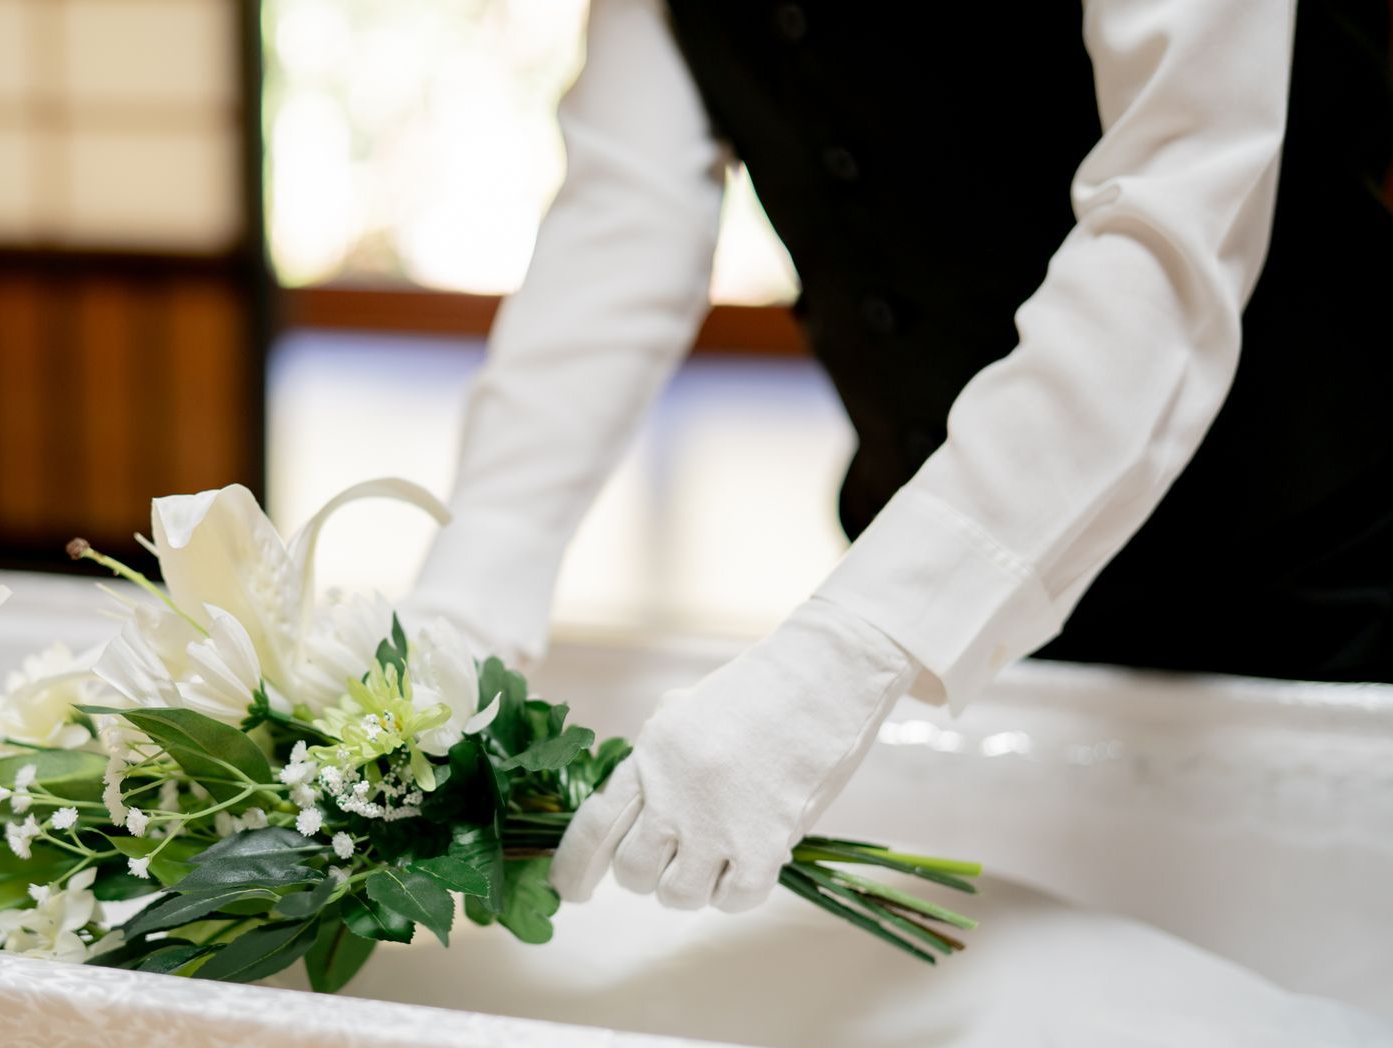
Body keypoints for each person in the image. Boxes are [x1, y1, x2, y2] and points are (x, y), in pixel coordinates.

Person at [404, 0, 1392, 913]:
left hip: (1297, 580)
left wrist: (848, 651)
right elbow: (626, 209)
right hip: (952, 626)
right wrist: (471, 591)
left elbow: (1178, 219)